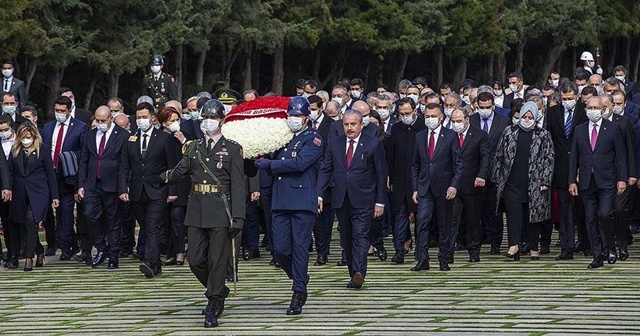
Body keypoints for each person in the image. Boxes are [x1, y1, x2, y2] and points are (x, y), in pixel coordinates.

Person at [161, 99, 244, 328]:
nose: (208, 122)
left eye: (214, 118)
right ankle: (218, 289)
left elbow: (238, 185)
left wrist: (238, 217)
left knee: (217, 260)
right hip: (197, 208)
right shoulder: (193, 146)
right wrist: (160, 177)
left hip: (221, 209)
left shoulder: (233, 148)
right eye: (205, 118)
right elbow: (180, 171)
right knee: (196, 260)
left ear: (222, 121)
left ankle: (214, 302)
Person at [255, 96, 323, 314]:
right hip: (281, 201)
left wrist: (270, 165)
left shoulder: (313, 138)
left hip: (302, 201)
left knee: (300, 247)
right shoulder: (283, 138)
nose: (293, 119)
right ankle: (299, 275)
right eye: (291, 115)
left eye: (298, 116)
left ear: (306, 118)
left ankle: (298, 291)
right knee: (281, 250)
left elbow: (300, 163)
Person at [317, 108, 386, 287]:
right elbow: (326, 169)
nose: (349, 128)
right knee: (346, 238)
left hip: (364, 198)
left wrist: (380, 202)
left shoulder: (373, 144)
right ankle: (353, 272)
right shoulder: (335, 143)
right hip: (341, 197)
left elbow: (380, 174)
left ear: (361, 125)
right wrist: (319, 194)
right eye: (346, 124)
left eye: (353, 124)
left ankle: (359, 272)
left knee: (360, 235)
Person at [119, 102, 180, 278]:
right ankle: (156, 263)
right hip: (138, 191)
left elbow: (172, 166)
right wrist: (123, 188)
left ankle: (150, 261)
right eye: (138, 118)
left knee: (152, 225)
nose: (141, 121)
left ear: (152, 118)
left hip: (158, 189)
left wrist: (172, 190)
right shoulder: (131, 139)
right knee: (145, 225)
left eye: (144, 117)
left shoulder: (163, 138)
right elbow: (124, 166)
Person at [569, 97, 627, 269]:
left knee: (604, 214)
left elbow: (621, 156)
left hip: (607, 180)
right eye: (590, 107)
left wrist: (622, 179)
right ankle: (597, 255)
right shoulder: (579, 130)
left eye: (596, 107)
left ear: (602, 109)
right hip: (586, 181)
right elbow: (574, 157)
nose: (592, 110)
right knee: (590, 219)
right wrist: (572, 180)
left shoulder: (613, 129)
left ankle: (610, 246)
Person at [492, 102, 554, 261]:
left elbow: (549, 159)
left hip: (534, 182)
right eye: (524, 117)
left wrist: (545, 180)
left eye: (530, 117)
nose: (526, 120)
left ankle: (534, 246)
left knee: (532, 216)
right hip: (511, 181)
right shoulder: (509, 132)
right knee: (513, 214)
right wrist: (497, 177)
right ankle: (514, 245)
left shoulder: (543, 134)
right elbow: (499, 155)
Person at [411, 103, 463, 272]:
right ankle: (422, 258)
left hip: (444, 187)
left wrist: (454, 185)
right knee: (422, 222)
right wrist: (415, 188)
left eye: (433, 116)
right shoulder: (419, 137)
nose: (430, 119)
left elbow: (458, 164)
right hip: (425, 187)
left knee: (444, 224)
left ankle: (444, 257)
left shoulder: (450, 136)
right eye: (427, 116)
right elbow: (415, 165)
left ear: (441, 117)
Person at [77, 106, 128, 269]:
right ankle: (101, 247)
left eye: (103, 121)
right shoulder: (90, 135)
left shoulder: (122, 135)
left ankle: (114, 255)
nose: (99, 124)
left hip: (113, 184)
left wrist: (123, 188)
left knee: (114, 220)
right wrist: (81, 185)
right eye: (97, 121)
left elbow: (125, 164)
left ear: (110, 119)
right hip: (92, 183)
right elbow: (83, 161)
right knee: (89, 215)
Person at [41, 96, 87, 261]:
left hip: (67, 177)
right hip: (49, 175)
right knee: (52, 213)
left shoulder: (80, 127)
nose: (59, 113)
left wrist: (67, 157)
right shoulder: (47, 127)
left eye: (62, 111)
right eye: (57, 110)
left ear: (69, 110)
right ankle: (67, 243)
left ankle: (66, 249)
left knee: (66, 213)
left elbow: (84, 153)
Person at [546, 82, 588, 260]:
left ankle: (587, 244)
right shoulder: (553, 112)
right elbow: (550, 140)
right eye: (564, 99)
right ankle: (567, 247)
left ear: (577, 96)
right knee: (565, 210)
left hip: (582, 168)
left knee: (584, 208)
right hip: (560, 169)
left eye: (571, 98)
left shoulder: (585, 111)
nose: (568, 101)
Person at [8, 122, 57, 271]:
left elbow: (50, 174)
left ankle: (29, 258)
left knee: (31, 220)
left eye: (28, 137)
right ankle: (39, 251)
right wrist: (7, 189)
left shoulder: (43, 150)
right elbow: (10, 172)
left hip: (39, 192)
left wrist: (55, 196)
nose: (26, 140)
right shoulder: (15, 150)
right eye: (23, 137)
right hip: (20, 192)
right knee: (24, 223)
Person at [469, 92, 510, 254]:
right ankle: (476, 242)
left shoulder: (503, 121)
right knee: (475, 210)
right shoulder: (471, 120)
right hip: (474, 171)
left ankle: (495, 243)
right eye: (481, 107)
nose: (484, 110)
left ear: (493, 105)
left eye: (488, 107)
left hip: (496, 172)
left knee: (494, 210)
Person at [387, 97, 426, 264]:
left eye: (407, 113)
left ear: (415, 111)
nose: (404, 116)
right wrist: (389, 176)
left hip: (419, 179)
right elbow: (391, 155)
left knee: (421, 216)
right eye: (401, 114)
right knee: (399, 215)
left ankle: (420, 250)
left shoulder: (423, 127)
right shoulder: (396, 128)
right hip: (400, 179)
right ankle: (399, 250)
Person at [449, 108, 490, 262]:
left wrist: (481, 175)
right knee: (452, 219)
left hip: (472, 184)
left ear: (467, 119)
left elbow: (485, 157)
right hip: (453, 185)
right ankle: (448, 252)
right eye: (453, 121)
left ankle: (474, 251)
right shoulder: (449, 135)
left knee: (473, 220)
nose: (456, 124)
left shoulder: (479, 135)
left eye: (458, 121)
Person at [157, 106, 192, 266]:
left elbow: (190, 157)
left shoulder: (185, 137)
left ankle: (180, 251)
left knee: (177, 217)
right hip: (163, 183)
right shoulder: (160, 138)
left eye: (177, 120)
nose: (175, 123)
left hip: (181, 185)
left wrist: (183, 140)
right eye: (172, 121)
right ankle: (170, 252)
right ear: (164, 123)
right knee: (166, 221)